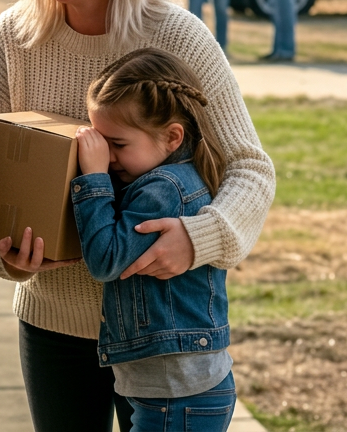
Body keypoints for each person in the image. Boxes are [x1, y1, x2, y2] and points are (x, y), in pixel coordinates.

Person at [0, 0, 274, 432]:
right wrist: (6, 257)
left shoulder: (177, 37)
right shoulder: (11, 39)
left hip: (163, 334)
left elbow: (250, 169)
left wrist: (198, 237)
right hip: (54, 327)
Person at [71, 48, 237, 432]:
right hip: (178, 391)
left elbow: (107, 259)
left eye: (118, 144)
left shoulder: (163, 191)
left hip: (177, 396)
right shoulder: (172, 176)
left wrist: (93, 179)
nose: (107, 155)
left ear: (171, 137)